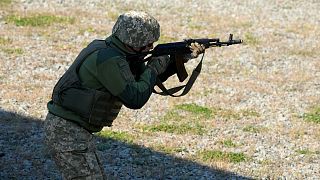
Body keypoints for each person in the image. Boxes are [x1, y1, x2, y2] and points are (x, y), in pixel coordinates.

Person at [44, 11, 205, 179]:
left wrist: (180, 58)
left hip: (74, 132)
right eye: (148, 43)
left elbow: (144, 81)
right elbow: (135, 98)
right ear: (134, 41)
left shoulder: (117, 52)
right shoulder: (109, 59)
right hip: (67, 133)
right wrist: (154, 67)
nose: (151, 47)